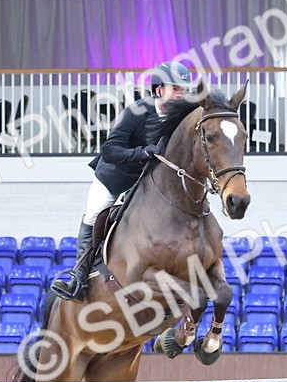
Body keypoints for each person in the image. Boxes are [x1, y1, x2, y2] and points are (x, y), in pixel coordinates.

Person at [51, 60, 194, 300]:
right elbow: (110, 149)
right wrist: (141, 153)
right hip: (115, 177)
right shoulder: (136, 112)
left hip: (146, 183)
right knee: (94, 214)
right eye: (176, 89)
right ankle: (78, 276)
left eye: (184, 90)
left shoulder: (183, 117)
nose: (182, 94)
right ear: (159, 90)